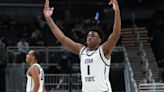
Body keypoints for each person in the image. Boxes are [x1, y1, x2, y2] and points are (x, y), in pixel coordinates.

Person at [43, 0, 121, 91]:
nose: (89, 37)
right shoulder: (82, 50)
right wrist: (49, 19)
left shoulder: (103, 51)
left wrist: (117, 11)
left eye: (93, 36)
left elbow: (116, 34)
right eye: (88, 35)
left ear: (99, 40)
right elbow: (62, 38)